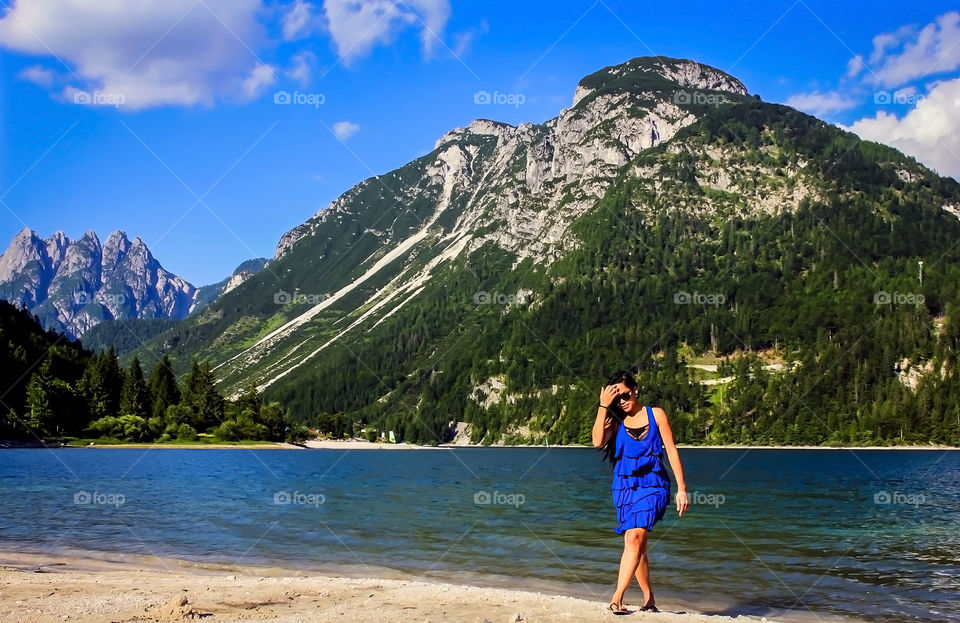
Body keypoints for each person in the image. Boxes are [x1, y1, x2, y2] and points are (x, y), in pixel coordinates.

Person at [592, 370, 689, 615]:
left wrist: (682, 489)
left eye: (625, 394)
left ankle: (616, 598)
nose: (622, 401)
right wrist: (604, 406)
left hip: (654, 484)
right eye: (617, 399)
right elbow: (596, 442)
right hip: (624, 487)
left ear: (635, 389)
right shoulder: (615, 420)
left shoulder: (656, 415)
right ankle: (649, 599)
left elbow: (672, 451)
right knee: (637, 542)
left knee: (634, 537)